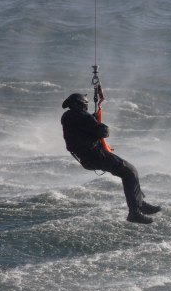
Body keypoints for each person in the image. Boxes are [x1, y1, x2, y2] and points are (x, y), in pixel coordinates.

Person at [61, 93, 161, 224]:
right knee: (130, 172)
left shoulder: (67, 117)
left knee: (129, 171)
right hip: (96, 155)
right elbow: (103, 132)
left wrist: (93, 119)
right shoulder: (81, 116)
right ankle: (134, 212)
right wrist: (101, 124)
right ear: (82, 104)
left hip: (86, 158)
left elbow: (82, 128)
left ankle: (140, 203)